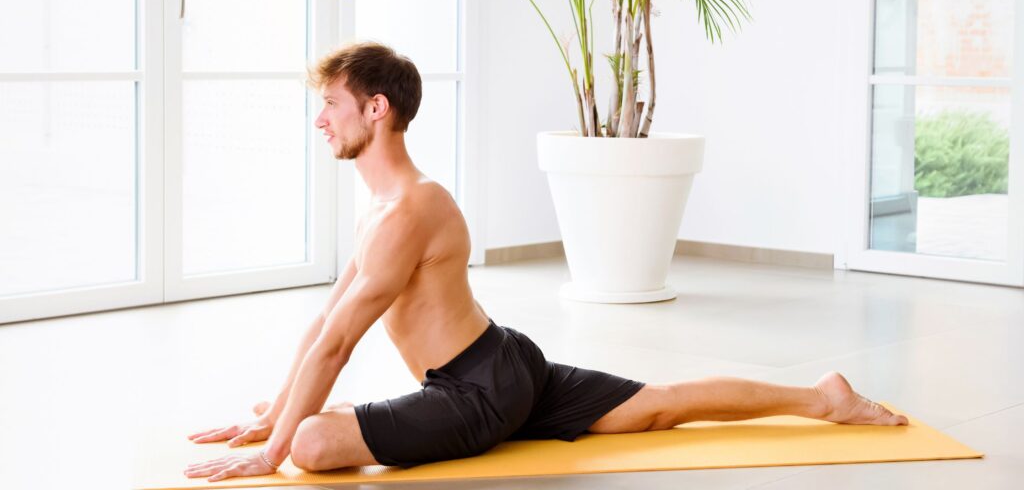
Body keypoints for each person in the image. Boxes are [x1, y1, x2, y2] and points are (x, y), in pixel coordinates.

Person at [184, 42, 908, 483]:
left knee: (315, 442)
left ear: (376, 110)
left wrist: (276, 448)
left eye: (331, 104)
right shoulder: (382, 208)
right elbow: (325, 324)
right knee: (657, 407)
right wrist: (272, 414)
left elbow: (341, 343)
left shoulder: (410, 211)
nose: (320, 119)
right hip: (501, 363)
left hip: (480, 392)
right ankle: (822, 398)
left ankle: (823, 399)